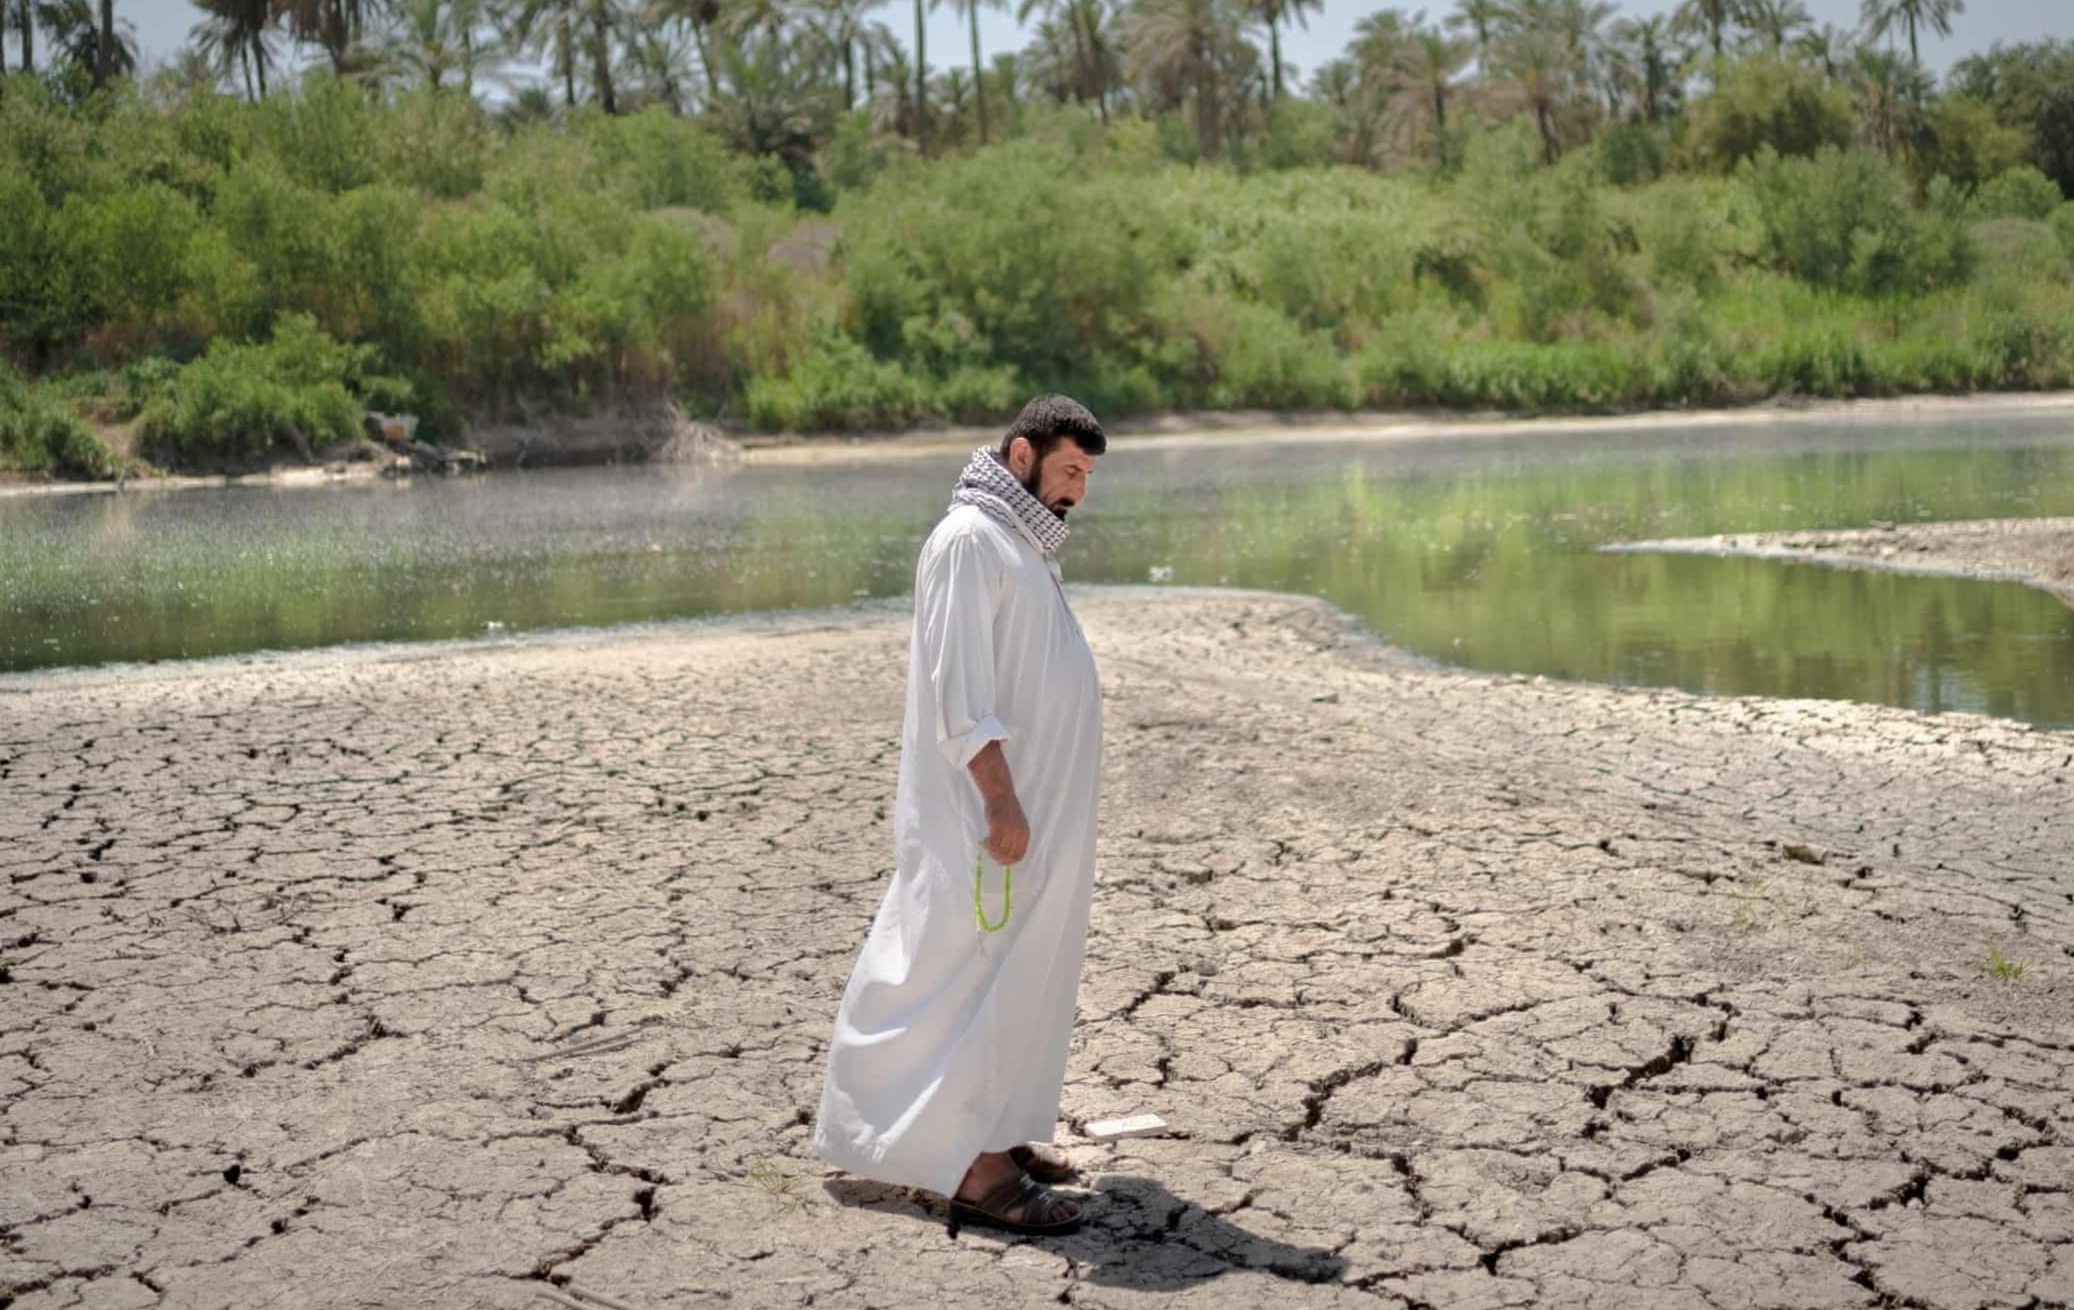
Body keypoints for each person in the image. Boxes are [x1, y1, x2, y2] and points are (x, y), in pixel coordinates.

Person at [814, 394, 1108, 1237]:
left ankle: (998, 1131)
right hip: (983, 819)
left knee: (1019, 970)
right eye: (1070, 471)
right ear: (1022, 456)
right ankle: (973, 1171)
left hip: (1032, 818)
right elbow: (960, 692)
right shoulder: (969, 540)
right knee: (953, 967)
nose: (1079, 492)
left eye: (1087, 476)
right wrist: (1001, 798)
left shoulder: (1017, 539)